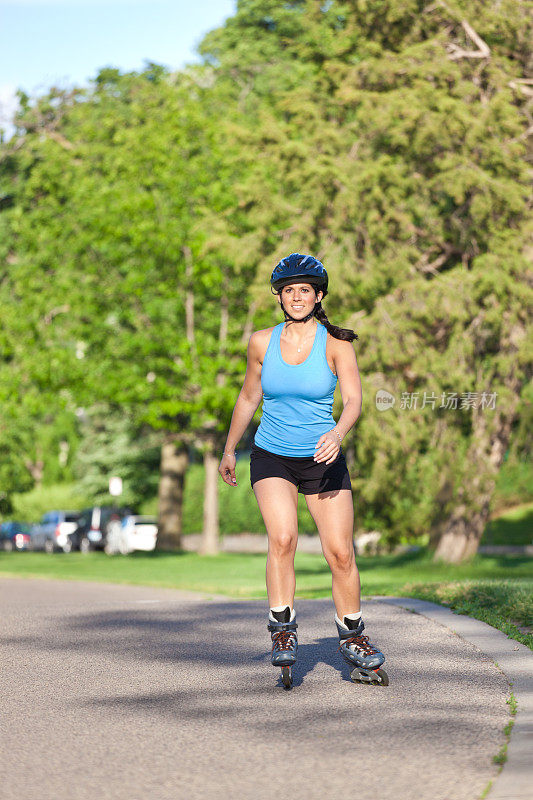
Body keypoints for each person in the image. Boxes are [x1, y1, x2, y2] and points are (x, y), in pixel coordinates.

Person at [218, 253, 387, 686]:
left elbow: (353, 401)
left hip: (322, 457)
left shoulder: (337, 344)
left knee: (340, 552)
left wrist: (339, 434)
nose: (296, 297)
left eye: (304, 290)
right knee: (283, 538)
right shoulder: (260, 342)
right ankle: (282, 631)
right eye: (289, 290)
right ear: (280, 296)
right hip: (272, 454)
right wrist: (230, 448)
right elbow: (248, 398)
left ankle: (353, 636)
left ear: (319, 295)